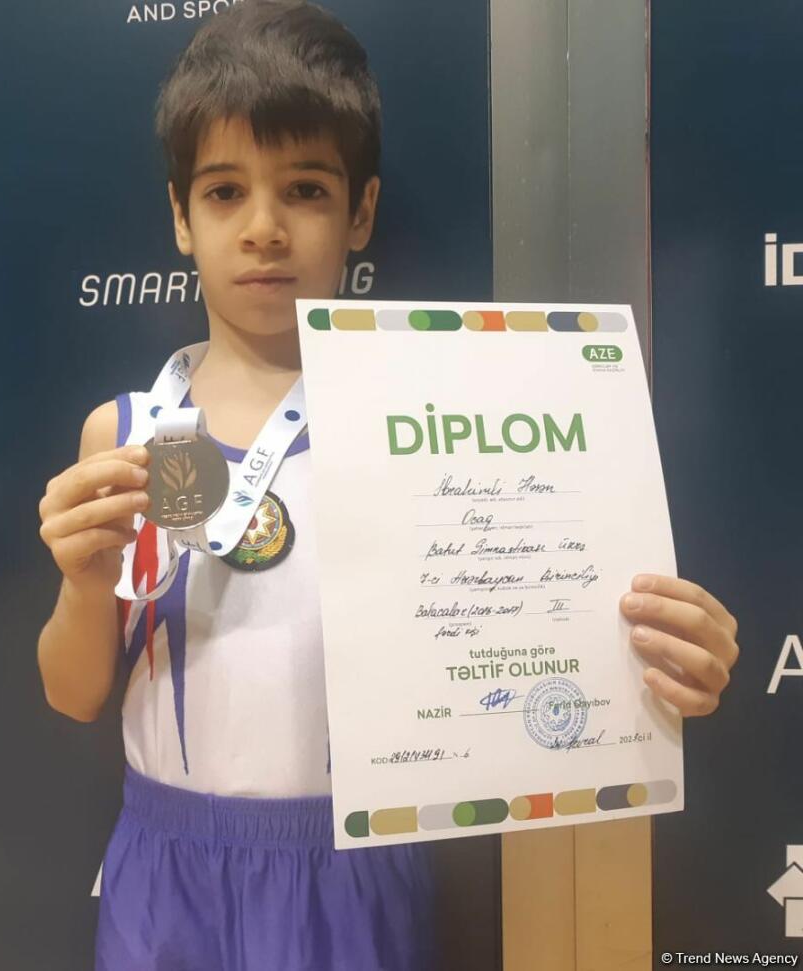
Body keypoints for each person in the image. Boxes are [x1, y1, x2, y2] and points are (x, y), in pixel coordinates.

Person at [36, 3, 741, 969]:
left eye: (306, 190)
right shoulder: (131, 432)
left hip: (353, 869)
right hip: (167, 872)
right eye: (226, 192)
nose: (264, 229)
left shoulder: (439, 425)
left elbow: (544, 615)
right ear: (180, 219)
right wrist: (83, 582)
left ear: (360, 211)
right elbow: (76, 693)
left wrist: (654, 665)